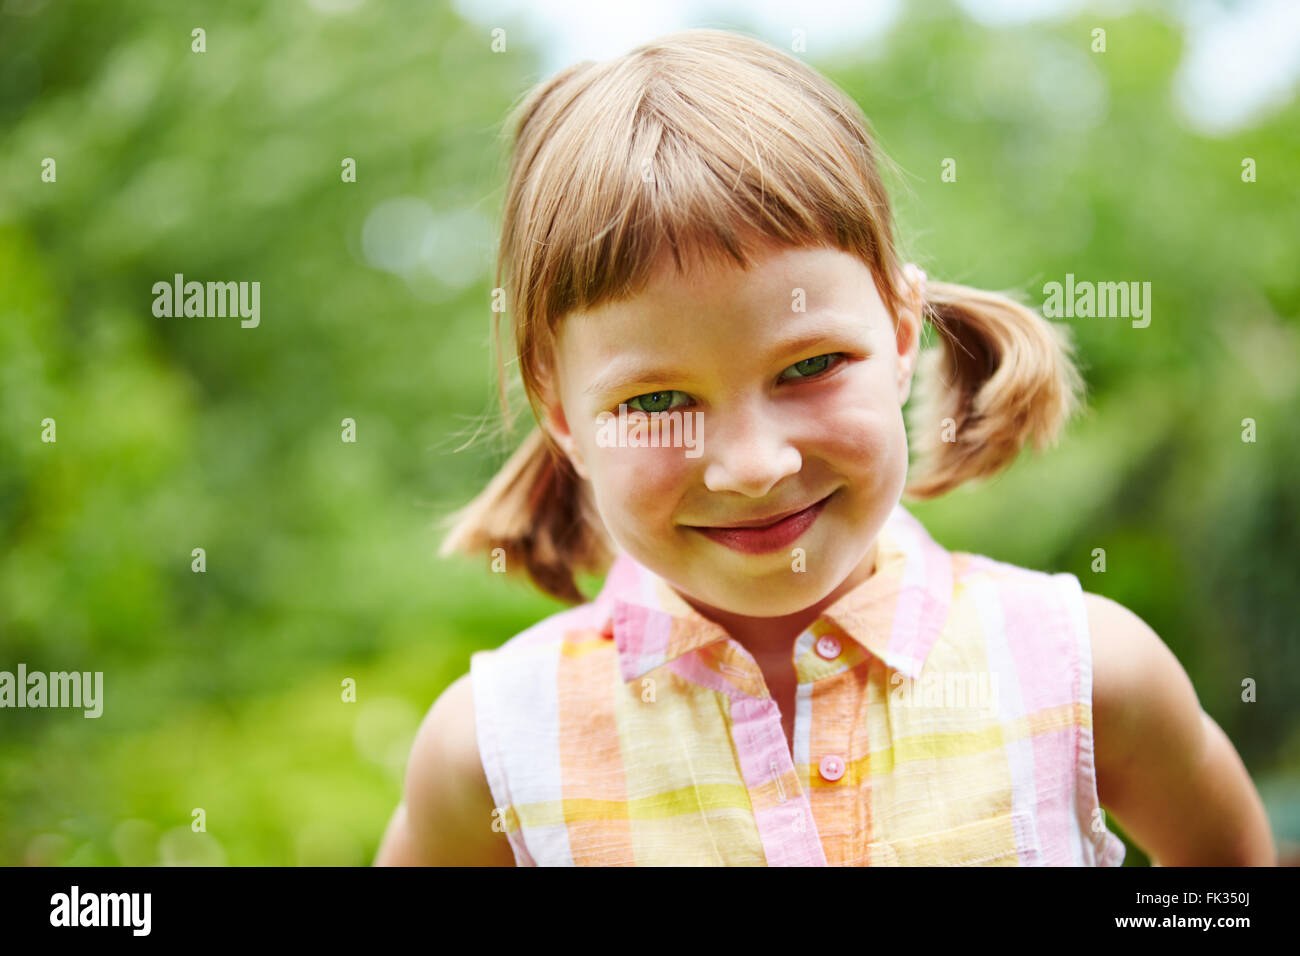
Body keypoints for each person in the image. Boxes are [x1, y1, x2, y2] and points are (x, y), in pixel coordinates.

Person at [374, 28, 1275, 866]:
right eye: (656, 399)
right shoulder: (492, 750)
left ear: (900, 328)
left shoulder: (1080, 668)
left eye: (809, 365)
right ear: (561, 412)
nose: (754, 463)